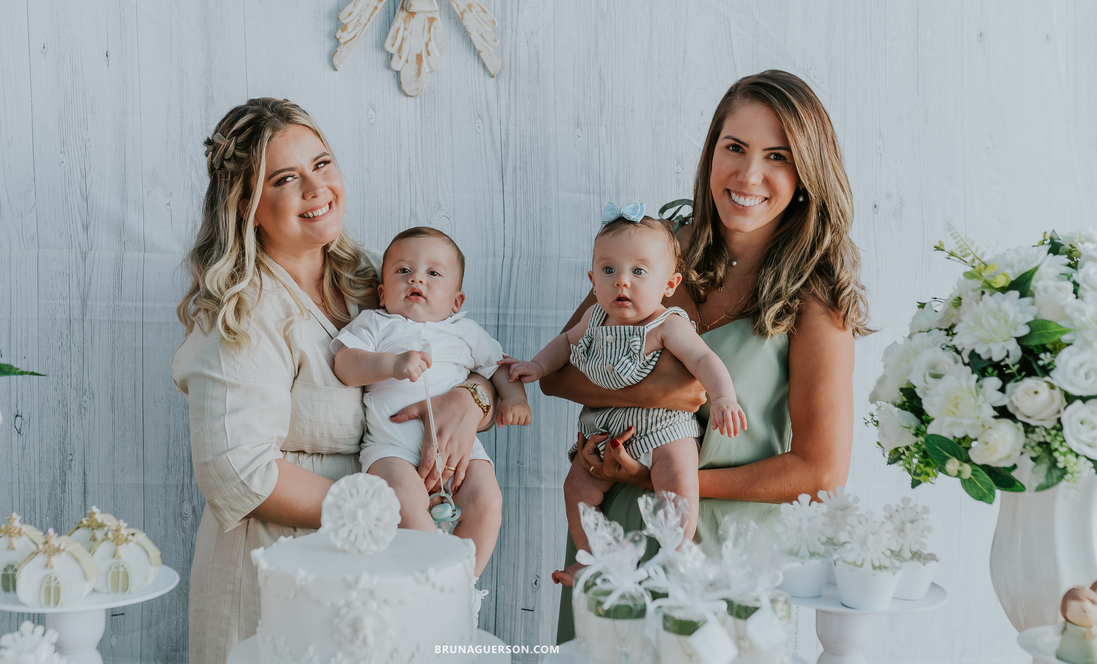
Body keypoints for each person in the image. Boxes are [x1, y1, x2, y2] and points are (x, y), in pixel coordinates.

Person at [545, 71, 871, 642]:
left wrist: (659, 479)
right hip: (609, 541)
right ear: (710, 151)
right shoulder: (650, 249)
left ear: (807, 174)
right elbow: (559, 373)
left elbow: (819, 473)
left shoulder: (816, 301)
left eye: (778, 156)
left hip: (725, 564)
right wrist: (651, 398)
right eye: (735, 148)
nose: (749, 175)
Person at [172, 99, 498, 664]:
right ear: (247, 204)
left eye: (322, 164)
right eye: (285, 178)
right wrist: (388, 506)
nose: (316, 188)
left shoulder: (378, 275)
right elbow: (237, 473)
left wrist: (473, 397)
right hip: (282, 575)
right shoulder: (239, 314)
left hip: (383, 569)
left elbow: (460, 350)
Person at [504, 211, 745, 586]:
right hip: (605, 427)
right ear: (592, 280)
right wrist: (537, 366)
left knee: (679, 479)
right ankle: (591, 557)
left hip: (665, 428)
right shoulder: (593, 317)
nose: (622, 282)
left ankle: (676, 555)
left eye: (639, 272)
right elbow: (565, 344)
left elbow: (703, 359)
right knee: (576, 488)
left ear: (670, 283)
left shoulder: (667, 324)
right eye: (609, 270)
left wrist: (723, 397)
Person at [331, 226, 532, 606]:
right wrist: (391, 364)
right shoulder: (376, 324)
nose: (417, 278)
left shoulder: (465, 332)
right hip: (391, 449)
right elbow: (345, 364)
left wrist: (514, 399)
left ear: (456, 301)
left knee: (487, 502)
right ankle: (432, 574)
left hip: (463, 450)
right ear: (382, 292)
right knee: (403, 502)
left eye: (433, 273)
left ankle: (462, 585)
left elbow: (500, 367)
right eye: (403, 271)